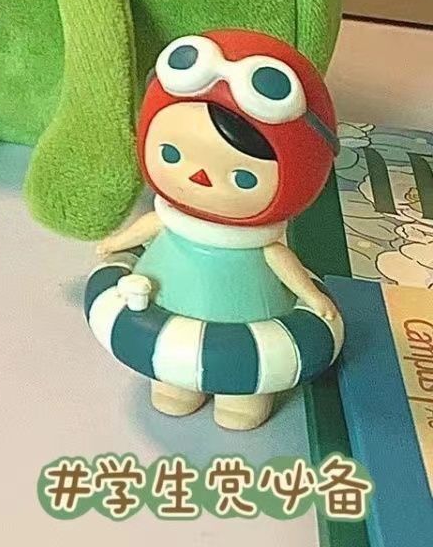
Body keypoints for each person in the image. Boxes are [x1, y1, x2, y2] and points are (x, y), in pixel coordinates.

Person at [86, 31, 344, 431]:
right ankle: (175, 384)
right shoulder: (171, 219)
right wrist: (117, 243)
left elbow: (282, 263)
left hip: (254, 316)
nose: (200, 177)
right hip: (165, 300)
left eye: (243, 178)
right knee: (172, 385)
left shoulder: (262, 244)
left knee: (243, 393)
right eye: (172, 154)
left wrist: (311, 296)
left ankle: (244, 397)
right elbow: (150, 226)